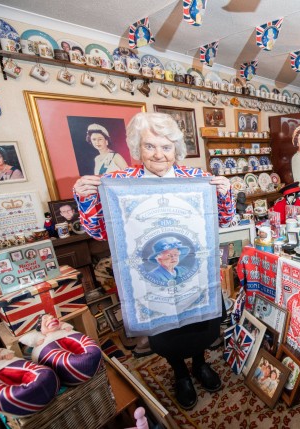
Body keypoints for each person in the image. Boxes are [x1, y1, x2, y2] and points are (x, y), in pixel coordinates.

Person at [73, 112, 234, 410]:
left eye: (166, 146)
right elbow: (98, 232)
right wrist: (85, 198)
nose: (159, 154)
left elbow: (223, 220)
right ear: (138, 148)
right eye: (150, 146)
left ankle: (200, 363)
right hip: (152, 279)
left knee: (204, 328)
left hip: (195, 276)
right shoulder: (120, 182)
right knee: (166, 338)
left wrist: (225, 194)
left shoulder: (197, 179)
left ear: (177, 149)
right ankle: (180, 373)